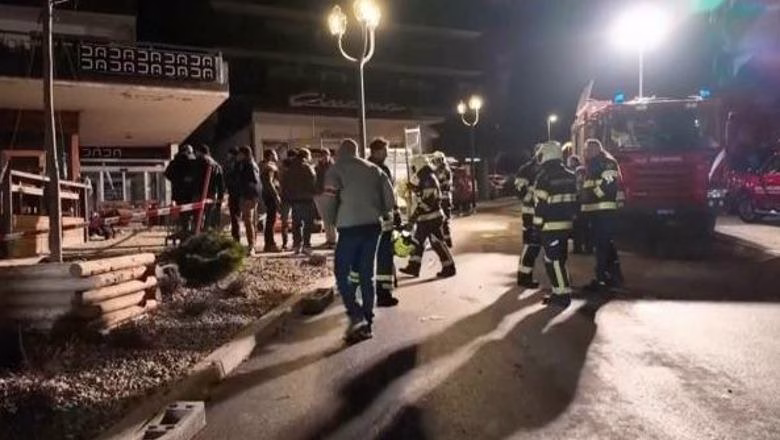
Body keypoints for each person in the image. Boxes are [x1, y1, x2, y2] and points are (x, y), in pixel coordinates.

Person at [322, 139, 396, 343]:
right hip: (373, 227)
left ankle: (356, 315)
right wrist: (377, 212)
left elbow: (329, 201)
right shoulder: (375, 170)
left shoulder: (335, 170)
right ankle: (368, 323)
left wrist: (332, 221)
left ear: (340, 152)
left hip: (349, 229)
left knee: (341, 272)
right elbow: (390, 200)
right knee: (367, 275)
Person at [533, 141, 579, 308]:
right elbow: (576, 201)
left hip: (550, 226)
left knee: (554, 261)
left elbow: (540, 204)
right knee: (558, 260)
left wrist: (536, 227)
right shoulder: (570, 175)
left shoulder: (544, 177)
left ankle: (562, 295)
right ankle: (558, 291)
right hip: (566, 225)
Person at [400, 155, 457, 279]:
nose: (413, 170)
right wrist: (415, 188)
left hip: (431, 218)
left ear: (418, 165)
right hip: (427, 218)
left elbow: (427, 201)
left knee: (436, 243)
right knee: (419, 242)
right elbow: (424, 193)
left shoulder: (428, 179)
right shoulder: (426, 177)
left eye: (414, 167)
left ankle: (449, 267)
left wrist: (413, 217)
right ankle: (414, 266)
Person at [581, 138, 624, 291]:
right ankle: (612, 277)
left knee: (602, 246)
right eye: (586, 150)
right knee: (605, 245)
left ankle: (602, 279)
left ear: (597, 149)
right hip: (595, 212)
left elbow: (609, 185)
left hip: (604, 212)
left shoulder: (607, 163)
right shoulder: (593, 164)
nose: (586, 152)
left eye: (588, 150)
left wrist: (592, 195)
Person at [367, 138, 401, 307]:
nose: (387, 154)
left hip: (366, 220)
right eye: (384, 151)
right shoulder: (381, 170)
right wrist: (396, 212)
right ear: (376, 151)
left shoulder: (364, 168)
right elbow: (389, 195)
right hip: (383, 220)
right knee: (384, 257)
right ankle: (383, 294)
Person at [515, 145, 542, 288]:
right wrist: (531, 196)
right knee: (530, 245)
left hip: (542, 213)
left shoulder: (546, 168)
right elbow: (519, 189)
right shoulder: (526, 169)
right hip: (530, 212)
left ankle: (526, 275)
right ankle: (524, 276)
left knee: (535, 246)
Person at [282, 147, 317, 254]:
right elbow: (313, 182)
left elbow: (285, 183)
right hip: (306, 199)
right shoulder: (308, 168)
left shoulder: (290, 168)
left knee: (296, 224)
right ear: (306, 156)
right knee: (308, 224)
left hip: (294, 200)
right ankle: (306, 245)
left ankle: (297, 245)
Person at [164, 145, 196, 235]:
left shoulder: (174, 161)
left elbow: (167, 174)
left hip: (177, 192)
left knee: (182, 213)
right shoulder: (191, 161)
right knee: (190, 212)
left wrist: (176, 180)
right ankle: (187, 231)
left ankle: (183, 229)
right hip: (189, 192)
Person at [193, 144, 226, 230]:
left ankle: (197, 232)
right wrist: (220, 196)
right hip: (212, 193)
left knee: (198, 215)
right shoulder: (216, 164)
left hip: (199, 192)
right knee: (208, 215)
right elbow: (220, 182)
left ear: (199, 152)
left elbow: (194, 177)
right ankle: (206, 231)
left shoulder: (198, 162)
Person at [236, 146, 261, 255]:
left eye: (239, 154)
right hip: (250, 195)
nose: (238, 156)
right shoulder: (247, 164)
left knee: (248, 221)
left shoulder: (248, 165)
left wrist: (250, 196)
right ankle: (253, 245)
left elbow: (254, 182)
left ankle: (251, 246)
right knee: (251, 221)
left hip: (249, 196)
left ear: (244, 154)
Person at [567, 154, 593, 254]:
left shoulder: (577, 174)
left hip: (580, 205)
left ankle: (578, 248)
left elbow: (576, 191)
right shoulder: (585, 172)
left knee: (578, 227)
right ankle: (587, 248)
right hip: (587, 205)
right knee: (586, 228)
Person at [314, 148, 337, 248]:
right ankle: (329, 239)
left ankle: (332, 240)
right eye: (322, 155)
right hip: (320, 193)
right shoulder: (317, 167)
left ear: (329, 156)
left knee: (330, 217)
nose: (324, 157)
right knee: (325, 218)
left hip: (330, 194)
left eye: (326, 155)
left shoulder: (333, 167)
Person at [260, 149, 282, 252]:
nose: (276, 156)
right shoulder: (269, 166)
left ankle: (268, 244)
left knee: (269, 220)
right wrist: (276, 195)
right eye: (274, 154)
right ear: (270, 155)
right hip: (270, 196)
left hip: (264, 195)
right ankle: (270, 244)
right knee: (271, 220)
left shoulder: (261, 165)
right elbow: (269, 182)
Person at [431, 151, 454, 247]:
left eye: (437, 160)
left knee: (443, 220)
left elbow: (441, 184)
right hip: (444, 198)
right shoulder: (443, 170)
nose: (436, 162)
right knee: (443, 220)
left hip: (443, 198)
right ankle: (445, 240)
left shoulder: (443, 171)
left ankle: (446, 241)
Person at [279, 149, 297, 250]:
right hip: (292, 197)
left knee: (286, 221)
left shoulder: (283, 167)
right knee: (293, 221)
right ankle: (293, 242)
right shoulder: (293, 167)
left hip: (286, 197)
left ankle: (286, 243)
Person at [224, 147, 242, 242]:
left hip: (234, 193)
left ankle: (236, 237)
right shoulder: (239, 164)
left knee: (235, 216)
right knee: (236, 216)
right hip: (237, 193)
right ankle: (236, 236)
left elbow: (230, 178)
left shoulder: (233, 164)